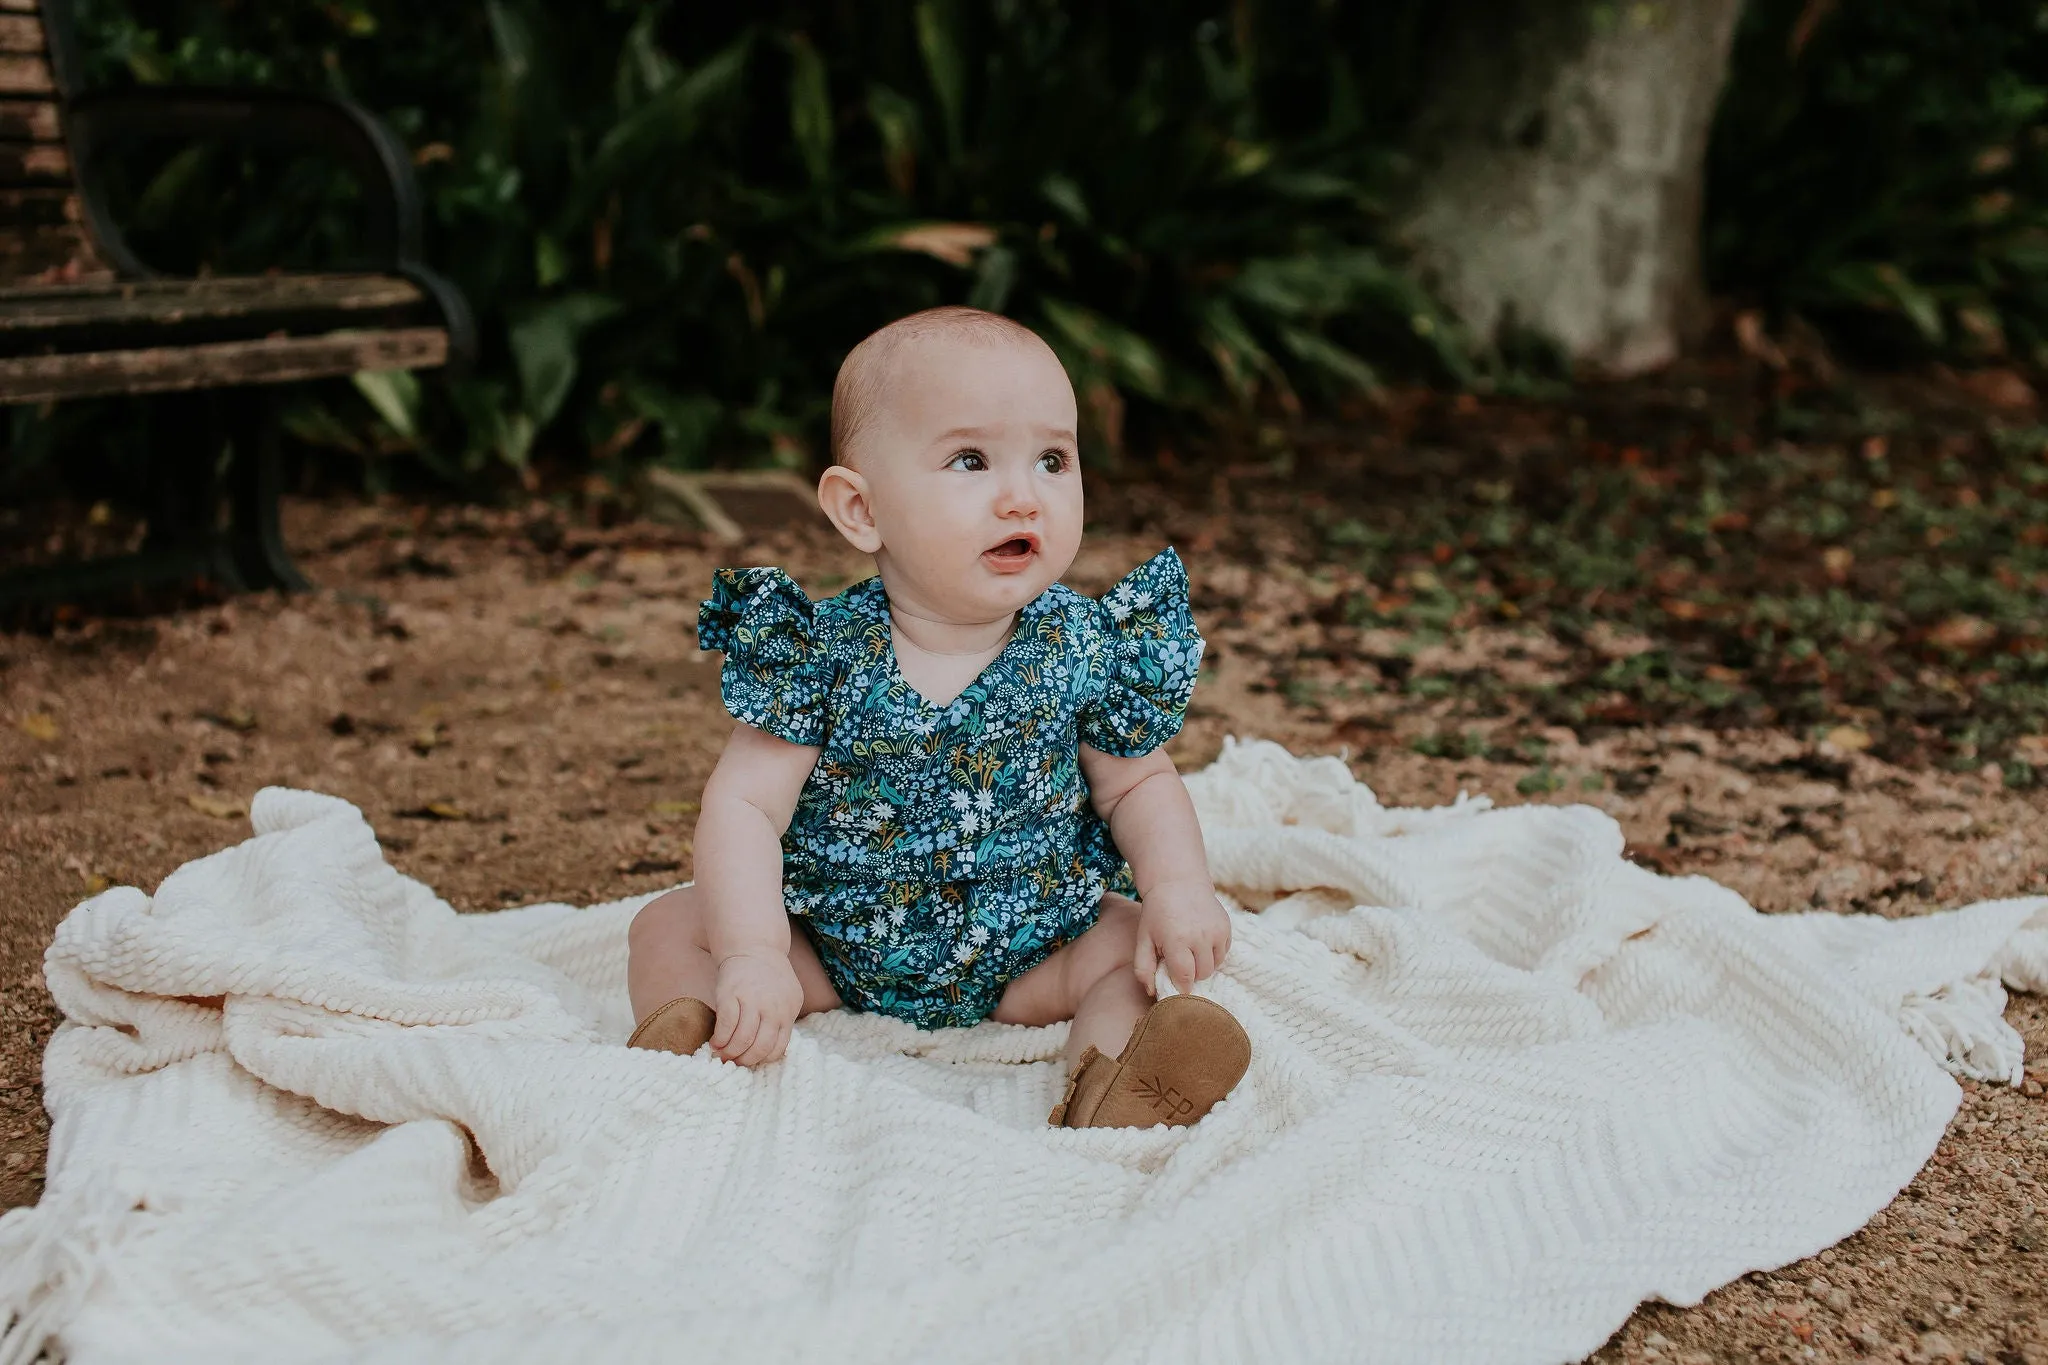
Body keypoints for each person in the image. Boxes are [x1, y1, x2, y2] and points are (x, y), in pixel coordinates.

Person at [624, 306, 1250, 1128]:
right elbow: (744, 806)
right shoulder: (820, 654)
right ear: (862, 509)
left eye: (1053, 459)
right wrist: (754, 952)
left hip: (1033, 947)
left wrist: (1179, 888)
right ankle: (697, 1036)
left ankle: (1113, 1076)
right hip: (834, 946)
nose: (1023, 495)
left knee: (1132, 951)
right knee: (669, 923)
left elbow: (1138, 785)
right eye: (970, 460)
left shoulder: (1083, 644)